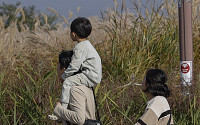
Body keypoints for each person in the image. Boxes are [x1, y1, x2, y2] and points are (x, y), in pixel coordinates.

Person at [53, 50, 96, 125]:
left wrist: (58, 109)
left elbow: (79, 119)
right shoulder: (86, 87)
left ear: (64, 68)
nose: (56, 68)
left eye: (58, 64)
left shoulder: (75, 90)